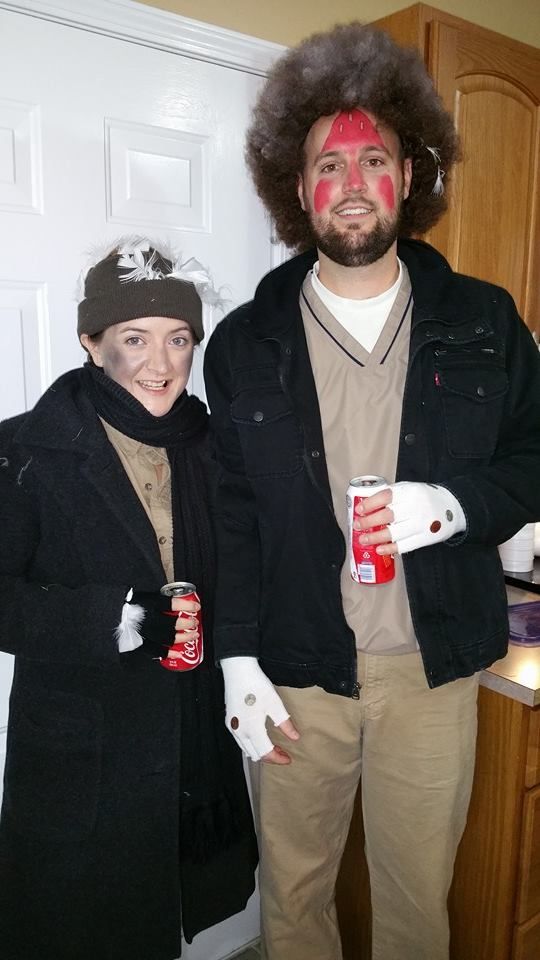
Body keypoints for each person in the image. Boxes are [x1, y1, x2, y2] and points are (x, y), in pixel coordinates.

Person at [203, 22, 540, 960]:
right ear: (296, 190)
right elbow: (231, 514)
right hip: (295, 673)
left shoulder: (485, 320)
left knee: (414, 904)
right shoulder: (244, 343)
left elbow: (534, 456)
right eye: (325, 166)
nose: (350, 183)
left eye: (372, 159)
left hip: (433, 674)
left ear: (410, 175)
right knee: (295, 899)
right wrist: (235, 660)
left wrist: (460, 506)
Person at [0, 238, 258, 960]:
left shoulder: (212, 446)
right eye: (134, 339)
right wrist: (119, 619)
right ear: (91, 342)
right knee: (84, 930)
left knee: (161, 922)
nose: (161, 362)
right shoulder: (26, 452)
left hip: (190, 736)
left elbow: (246, 563)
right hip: (85, 749)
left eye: (179, 339)